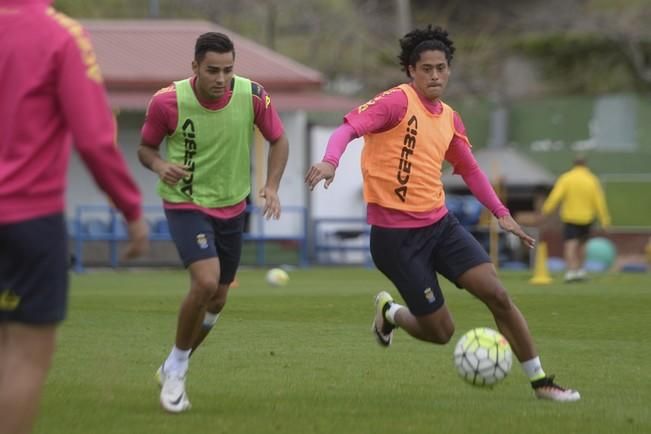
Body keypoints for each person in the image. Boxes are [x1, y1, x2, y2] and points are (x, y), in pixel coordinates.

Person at [305, 25, 580, 402]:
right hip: (395, 239)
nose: (435, 75)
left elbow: (469, 169)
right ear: (411, 71)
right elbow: (348, 128)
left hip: (440, 226)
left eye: (441, 68)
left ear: (449, 70)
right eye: (427, 69)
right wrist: (330, 161)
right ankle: (390, 313)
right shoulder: (395, 103)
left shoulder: (450, 118)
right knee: (440, 331)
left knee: (497, 293)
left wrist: (501, 212)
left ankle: (541, 381)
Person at [0, 1, 150, 433]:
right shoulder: (59, 35)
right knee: (25, 357)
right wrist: (131, 208)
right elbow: (93, 136)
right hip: (27, 219)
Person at [137, 32, 289, 413]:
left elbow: (279, 140)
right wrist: (159, 165)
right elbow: (145, 147)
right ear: (195, 68)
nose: (221, 79)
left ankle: (175, 360)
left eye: (227, 70)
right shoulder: (167, 101)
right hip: (185, 203)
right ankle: (178, 371)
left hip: (232, 207)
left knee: (218, 299)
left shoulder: (253, 95)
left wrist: (270, 185)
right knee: (205, 282)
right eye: (212, 71)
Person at [541, 156, 610, 282]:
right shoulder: (592, 179)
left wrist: (546, 210)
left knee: (570, 245)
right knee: (583, 245)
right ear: (585, 165)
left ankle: (571, 271)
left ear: (573, 164)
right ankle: (581, 271)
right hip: (587, 218)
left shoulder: (566, 178)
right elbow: (599, 201)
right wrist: (605, 220)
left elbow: (556, 196)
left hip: (570, 217)